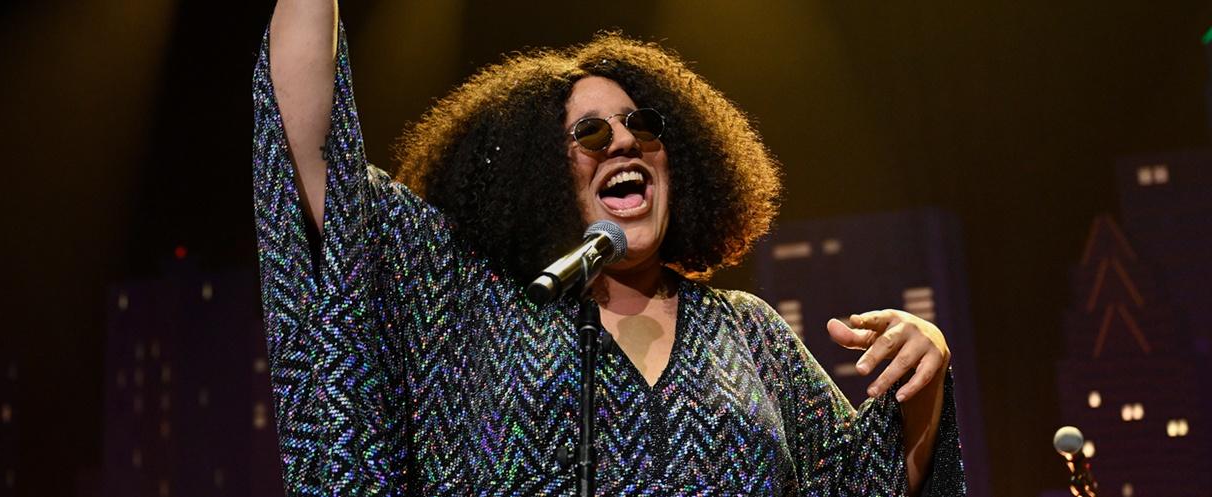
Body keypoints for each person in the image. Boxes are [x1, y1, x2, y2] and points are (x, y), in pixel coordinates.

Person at [258, 1, 967, 494]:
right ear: (536, 175)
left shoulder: (748, 332)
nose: (624, 140)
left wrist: (926, 363)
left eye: (642, 124)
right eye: (591, 134)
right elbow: (312, 147)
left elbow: (861, 484)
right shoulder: (474, 304)